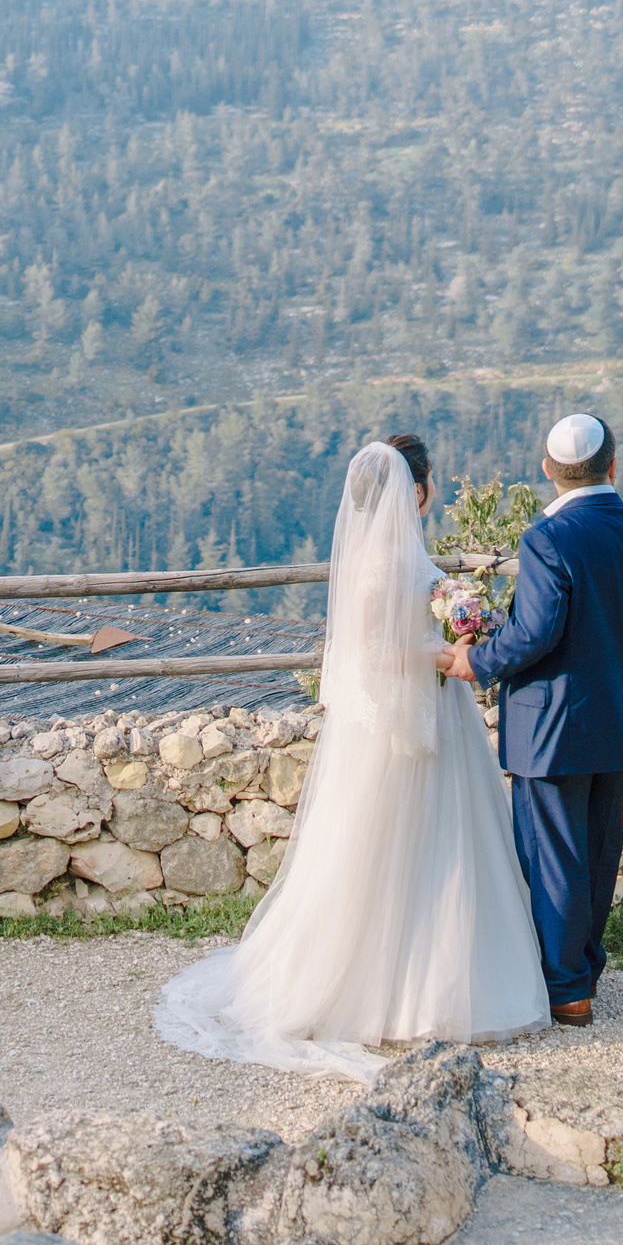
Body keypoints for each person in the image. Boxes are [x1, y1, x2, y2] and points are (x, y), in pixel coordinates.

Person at [155, 435, 551, 1080]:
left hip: (430, 712)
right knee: (402, 844)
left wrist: (454, 628)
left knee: (435, 843)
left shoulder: (390, 557)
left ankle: (423, 986)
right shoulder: (380, 566)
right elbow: (372, 654)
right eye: (430, 485)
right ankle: (404, 993)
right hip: (406, 714)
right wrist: (445, 653)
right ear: (416, 491)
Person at [445, 414, 623, 1027]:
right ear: (614, 466)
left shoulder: (548, 539)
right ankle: (586, 971)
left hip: (551, 723)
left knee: (554, 856)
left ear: (548, 472)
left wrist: (477, 659)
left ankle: (564, 987)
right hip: (619, 714)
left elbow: (539, 633)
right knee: (599, 852)